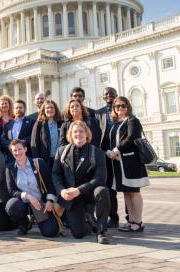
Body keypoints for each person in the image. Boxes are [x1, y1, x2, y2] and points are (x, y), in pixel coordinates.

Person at [52, 121, 110, 244]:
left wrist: (79, 190)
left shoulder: (97, 152)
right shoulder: (61, 151)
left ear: (87, 134)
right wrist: (61, 190)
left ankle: (101, 232)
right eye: (75, 132)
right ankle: (89, 221)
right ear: (71, 135)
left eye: (81, 131)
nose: (78, 134)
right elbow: (55, 174)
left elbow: (100, 178)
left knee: (103, 191)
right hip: (72, 196)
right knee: (78, 234)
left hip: (89, 191)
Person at [107, 96, 149, 232]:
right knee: (126, 192)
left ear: (128, 106)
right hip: (119, 163)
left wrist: (116, 150)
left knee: (134, 192)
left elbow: (132, 138)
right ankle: (131, 220)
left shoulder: (132, 120)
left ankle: (138, 221)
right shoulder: (115, 123)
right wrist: (109, 151)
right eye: (117, 106)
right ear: (114, 108)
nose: (120, 108)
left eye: (123, 105)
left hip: (132, 162)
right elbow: (112, 140)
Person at [5, 139, 59, 237]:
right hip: (24, 203)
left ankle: (39, 219)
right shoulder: (10, 168)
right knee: (11, 206)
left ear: (25, 149)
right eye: (14, 151)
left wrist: (50, 201)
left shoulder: (38, 163)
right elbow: (11, 191)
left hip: (41, 203)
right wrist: (28, 196)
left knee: (51, 232)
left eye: (20, 149)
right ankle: (25, 222)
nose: (17, 152)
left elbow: (50, 184)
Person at [96, 87, 119, 228]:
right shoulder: (99, 113)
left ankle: (132, 218)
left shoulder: (121, 109)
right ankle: (113, 217)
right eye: (106, 94)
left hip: (120, 154)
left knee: (128, 189)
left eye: (111, 93)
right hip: (104, 154)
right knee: (109, 188)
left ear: (116, 95)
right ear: (103, 97)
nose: (109, 96)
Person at [30, 100, 63, 169]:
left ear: (55, 109)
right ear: (43, 110)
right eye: (47, 108)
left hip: (59, 159)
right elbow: (34, 143)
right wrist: (37, 160)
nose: (50, 109)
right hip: (44, 160)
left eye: (52, 107)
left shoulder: (61, 123)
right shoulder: (39, 124)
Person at [1, 100, 34, 164]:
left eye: (20, 107)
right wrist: (12, 144)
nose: (18, 109)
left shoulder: (31, 122)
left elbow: (33, 136)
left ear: (25, 109)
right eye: (16, 108)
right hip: (11, 157)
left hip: (27, 155)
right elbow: (3, 139)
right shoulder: (8, 125)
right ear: (13, 110)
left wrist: (20, 143)